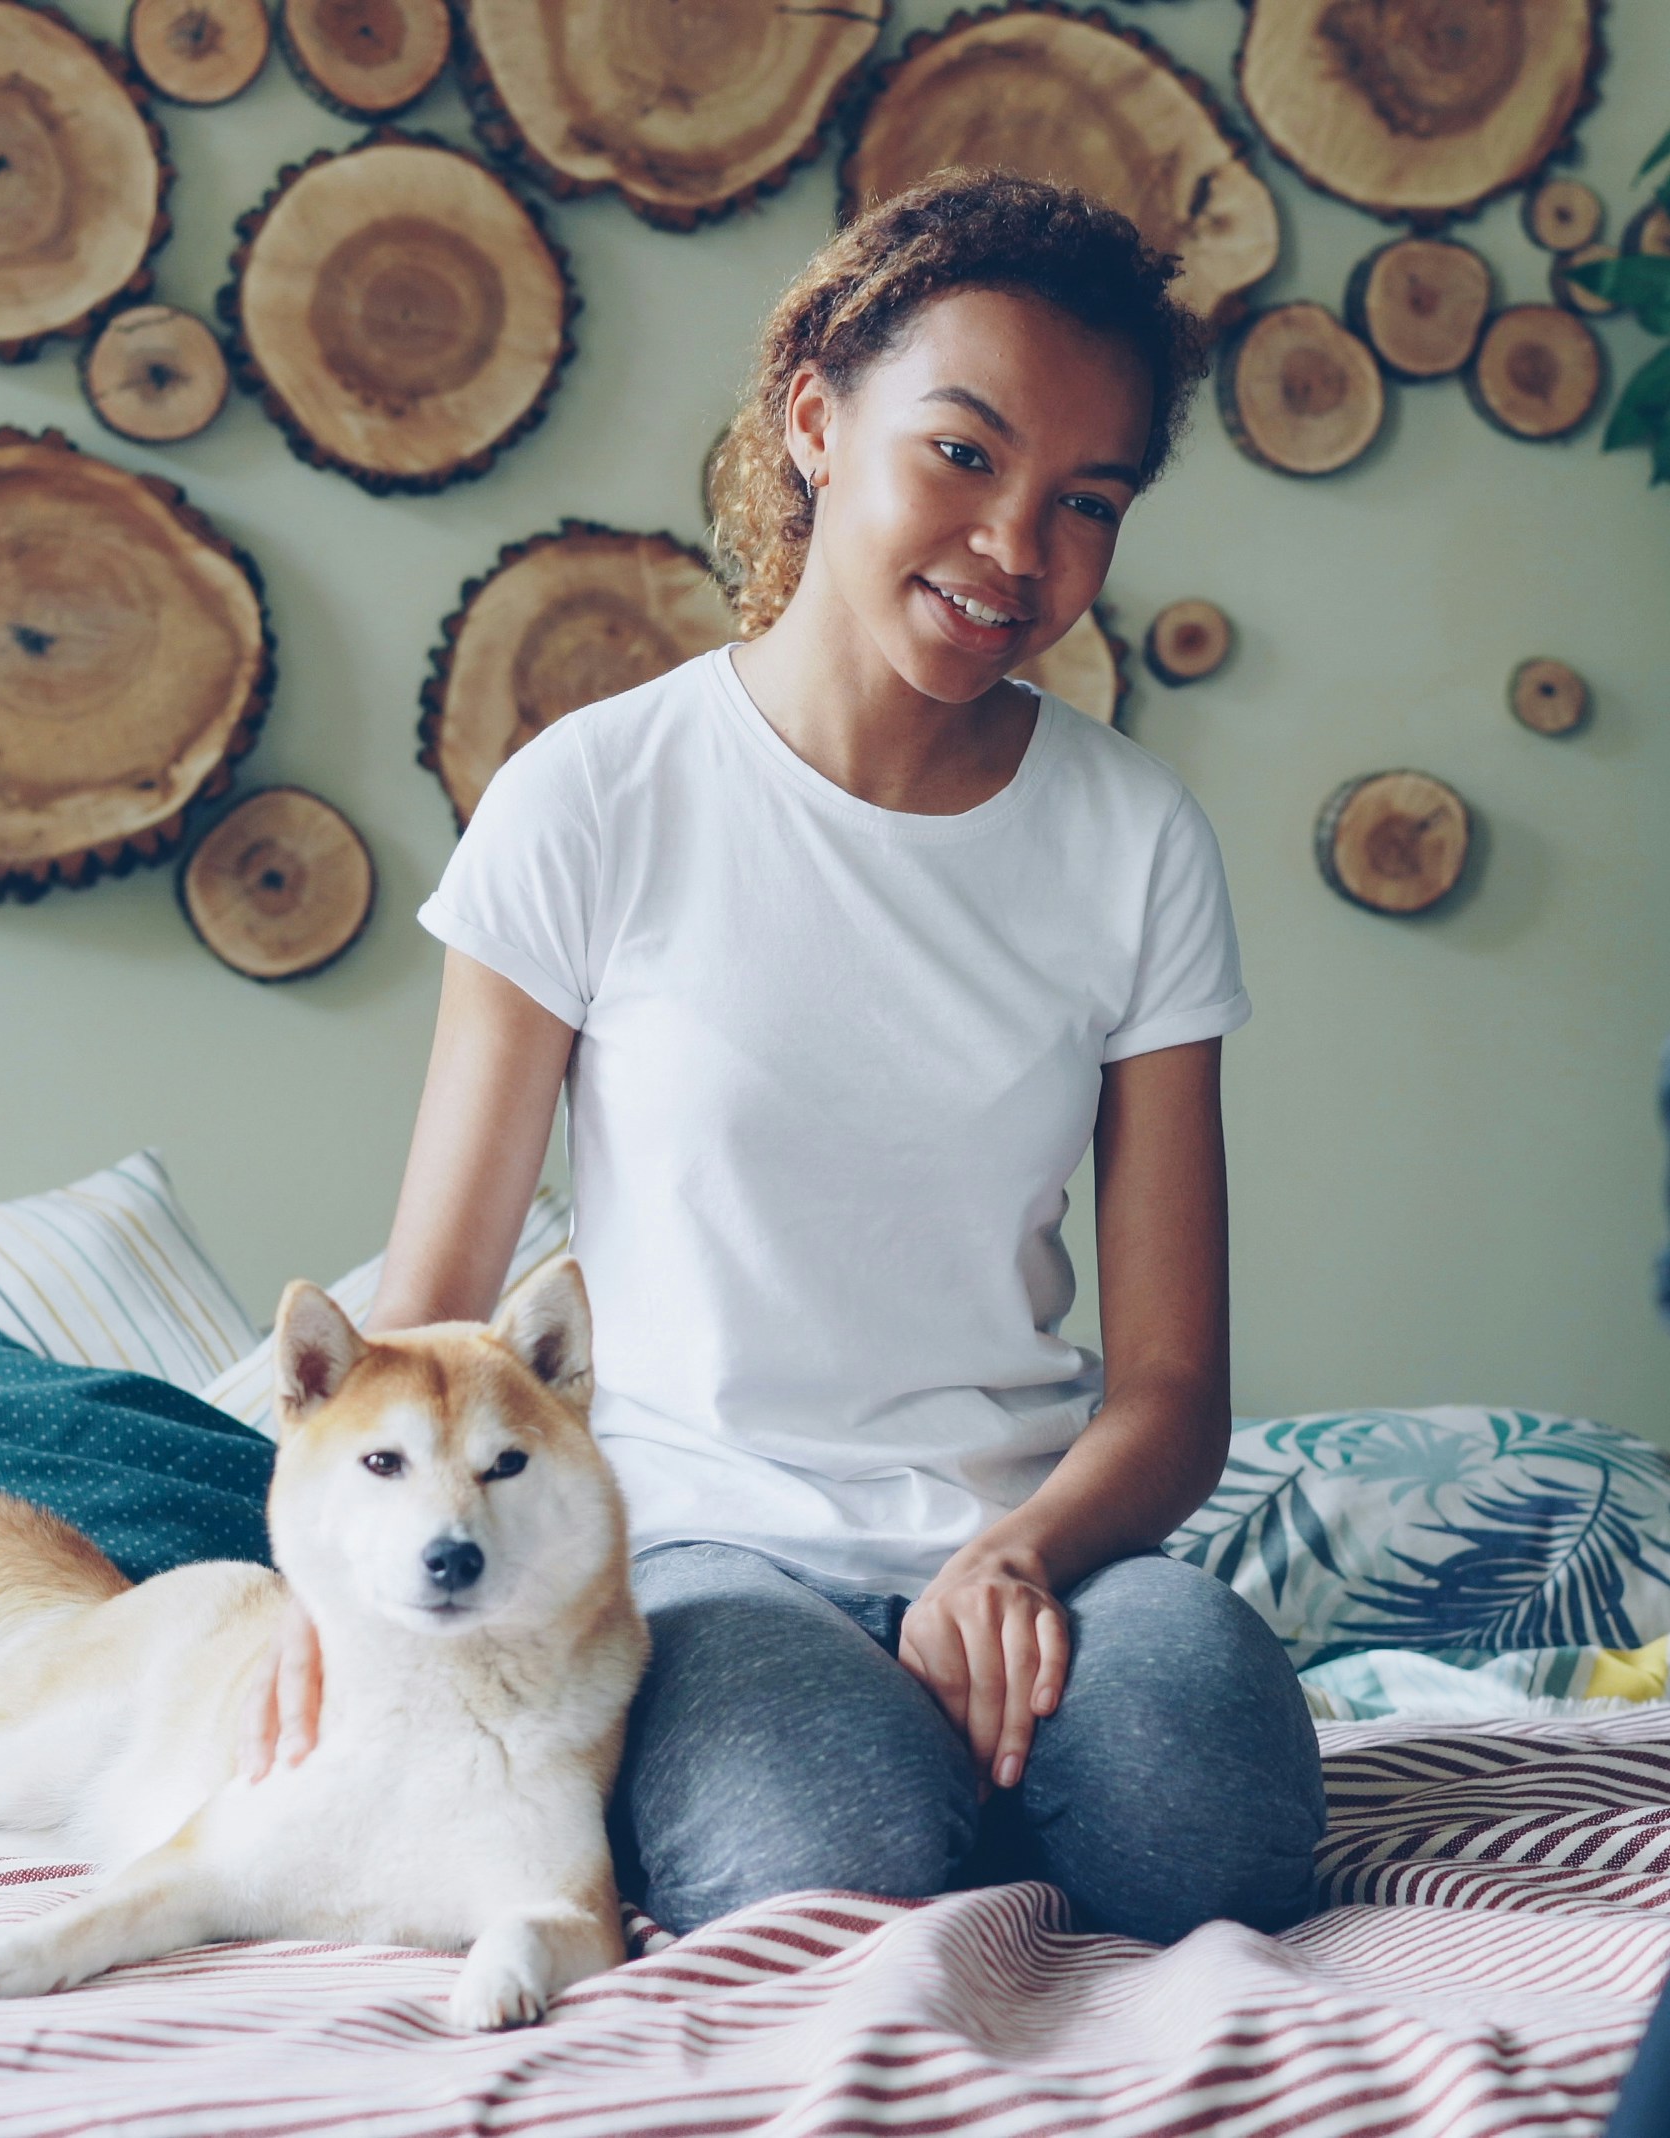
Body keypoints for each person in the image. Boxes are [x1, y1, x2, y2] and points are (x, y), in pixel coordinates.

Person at [241, 171, 1324, 1948]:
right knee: (821, 1878)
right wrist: (330, 1601)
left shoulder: (1137, 842)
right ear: (817, 418)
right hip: (701, 1547)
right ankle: (903, 1773)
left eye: (1087, 502)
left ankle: (981, 1727)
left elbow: (1174, 1388)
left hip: (1038, 1545)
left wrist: (1024, 1553)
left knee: (1213, 1837)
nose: (1014, 548)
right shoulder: (593, 798)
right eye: (963, 455)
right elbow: (428, 1318)